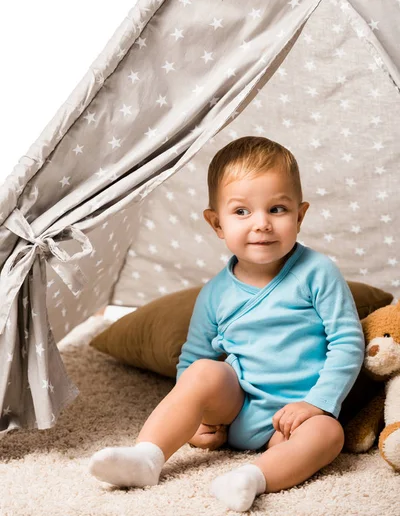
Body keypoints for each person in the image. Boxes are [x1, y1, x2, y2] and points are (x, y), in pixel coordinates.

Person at [89, 136, 365, 512]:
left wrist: (316, 404)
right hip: (239, 410)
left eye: (277, 209)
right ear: (216, 223)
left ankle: (252, 477)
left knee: (329, 435)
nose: (262, 224)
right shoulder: (215, 294)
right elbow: (192, 361)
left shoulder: (317, 273)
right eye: (241, 212)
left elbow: (348, 342)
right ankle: (147, 456)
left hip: (298, 418)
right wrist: (199, 422)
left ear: (300, 216)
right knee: (203, 370)